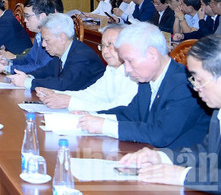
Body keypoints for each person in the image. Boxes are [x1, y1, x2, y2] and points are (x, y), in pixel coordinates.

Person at [78, 22, 210, 149]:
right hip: (149, 153)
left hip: (182, 162)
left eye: (130, 61)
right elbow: (130, 114)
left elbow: (160, 133)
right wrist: (93, 115)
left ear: (152, 54)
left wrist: (104, 126)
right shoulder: (146, 79)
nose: (127, 69)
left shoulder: (184, 84)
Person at [119, 35, 221, 190]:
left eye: (199, 80)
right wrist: (161, 157)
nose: (195, 88)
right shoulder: (218, 112)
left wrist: (183, 175)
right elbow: (206, 153)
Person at [36, 23, 138, 111]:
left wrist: (70, 102)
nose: (105, 51)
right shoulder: (111, 69)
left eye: (110, 45)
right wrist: (55, 93)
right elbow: (91, 94)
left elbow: (119, 109)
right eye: (102, 46)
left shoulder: (135, 73)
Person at [8, 13, 105, 91]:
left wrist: (27, 82)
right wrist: (27, 76)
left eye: (47, 40)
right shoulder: (60, 54)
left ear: (62, 38)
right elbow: (45, 71)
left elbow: (63, 84)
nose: (43, 45)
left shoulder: (81, 55)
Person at [0, 0, 56, 73]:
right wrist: (8, 63)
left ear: (42, 16)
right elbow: (28, 59)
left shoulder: (51, 37)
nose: (25, 20)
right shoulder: (39, 34)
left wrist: (7, 69)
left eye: (28, 16)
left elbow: (41, 67)